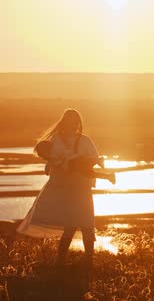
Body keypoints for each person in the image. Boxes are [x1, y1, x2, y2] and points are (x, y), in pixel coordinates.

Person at [17, 108, 107, 268]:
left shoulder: (85, 141)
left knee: (87, 224)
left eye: (75, 121)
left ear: (78, 123)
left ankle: (87, 261)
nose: (73, 124)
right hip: (66, 188)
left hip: (82, 187)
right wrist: (60, 164)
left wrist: (78, 163)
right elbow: (49, 165)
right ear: (64, 122)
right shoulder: (55, 141)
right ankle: (62, 262)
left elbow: (94, 160)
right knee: (70, 225)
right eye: (70, 121)